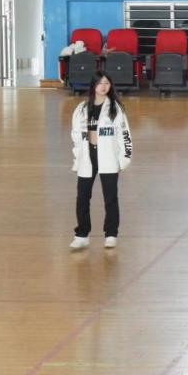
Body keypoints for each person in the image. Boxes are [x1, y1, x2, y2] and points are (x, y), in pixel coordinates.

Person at [69, 71, 132, 250]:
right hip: (87, 157)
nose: (104, 87)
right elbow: (76, 135)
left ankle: (111, 234)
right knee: (82, 197)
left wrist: (124, 159)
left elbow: (125, 135)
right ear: (93, 85)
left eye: (107, 83)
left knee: (110, 197)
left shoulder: (115, 109)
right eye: (100, 83)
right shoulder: (82, 108)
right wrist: (77, 156)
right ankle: (82, 234)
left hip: (108, 157)